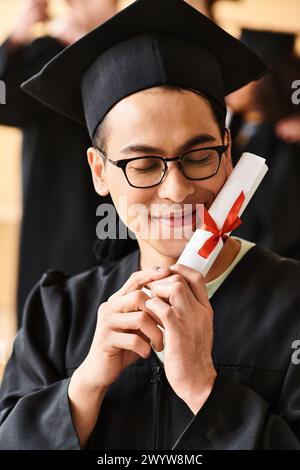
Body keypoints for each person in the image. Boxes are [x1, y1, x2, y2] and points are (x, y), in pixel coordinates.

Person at [0, 0, 300, 450]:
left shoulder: (293, 306)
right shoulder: (60, 314)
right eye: (143, 164)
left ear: (228, 152)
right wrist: (83, 388)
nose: (177, 190)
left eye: (199, 157)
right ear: (99, 172)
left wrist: (205, 389)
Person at [0, 0, 122, 324]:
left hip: (110, 199)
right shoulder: (46, 52)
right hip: (53, 198)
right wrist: (17, 35)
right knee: (53, 300)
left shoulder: (123, 50)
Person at [227, 29, 300, 260]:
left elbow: (280, 225)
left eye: (241, 77)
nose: (228, 82)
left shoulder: (285, 142)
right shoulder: (233, 128)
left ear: (264, 80)